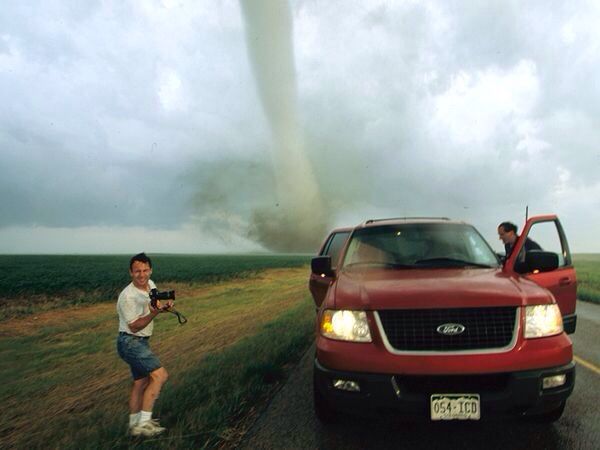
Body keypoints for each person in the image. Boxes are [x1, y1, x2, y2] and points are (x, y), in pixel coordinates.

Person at [116, 253, 173, 437]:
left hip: (140, 341)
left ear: (151, 270)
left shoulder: (151, 284)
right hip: (130, 342)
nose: (142, 275)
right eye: (137, 271)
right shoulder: (127, 296)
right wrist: (154, 314)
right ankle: (145, 424)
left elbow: (152, 305)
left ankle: (134, 427)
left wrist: (162, 308)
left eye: (145, 270)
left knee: (141, 383)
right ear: (130, 272)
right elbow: (134, 326)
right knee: (160, 376)